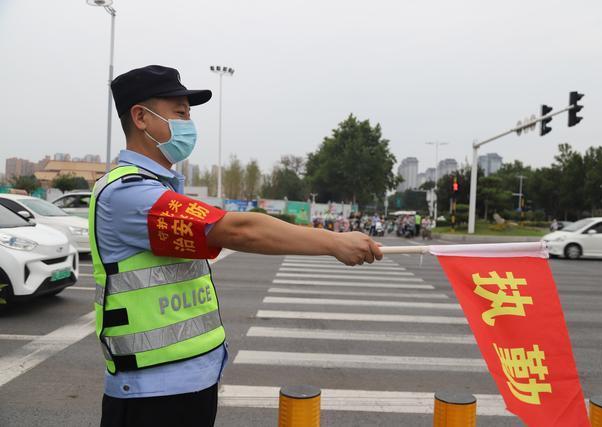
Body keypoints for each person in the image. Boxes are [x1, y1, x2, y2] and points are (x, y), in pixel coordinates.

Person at [91, 65, 383, 427]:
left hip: (190, 381)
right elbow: (239, 229)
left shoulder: (161, 189)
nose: (188, 123)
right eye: (179, 113)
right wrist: (334, 242)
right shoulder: (128, 193)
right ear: (141, 118)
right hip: (151, 395)